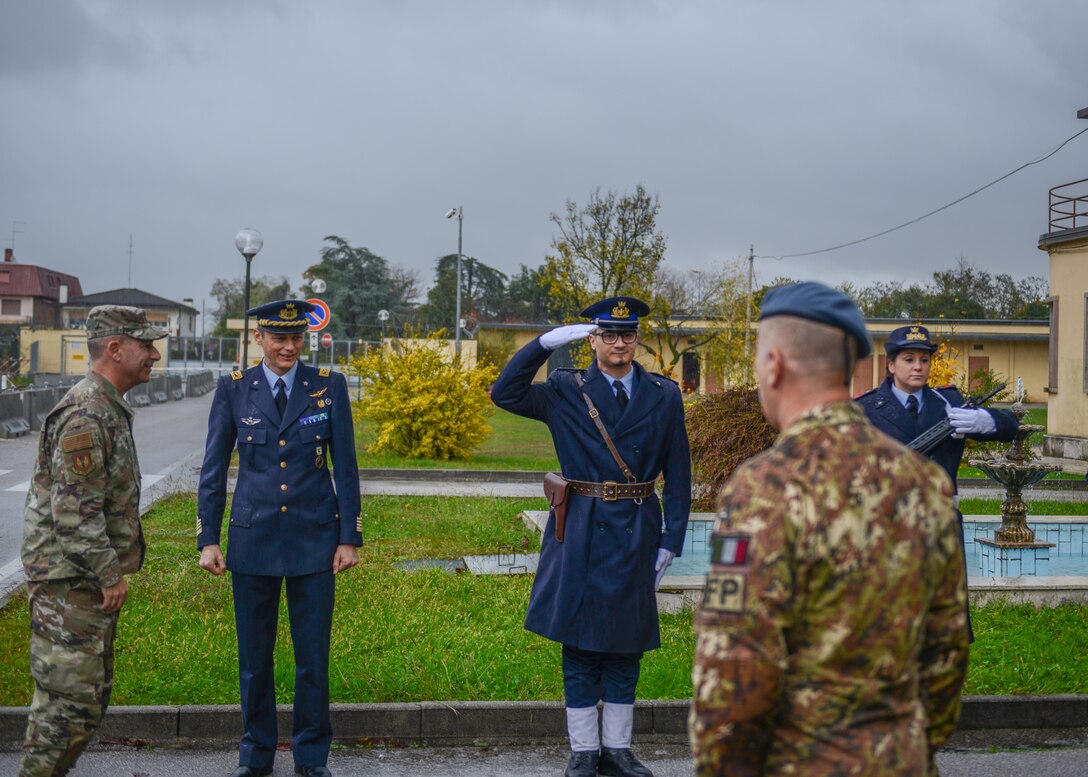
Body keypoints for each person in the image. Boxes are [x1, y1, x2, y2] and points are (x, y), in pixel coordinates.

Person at [689, 283, 970, 776]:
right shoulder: (924, 483)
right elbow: (947, 648)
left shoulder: (764, 488)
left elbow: (733, 665)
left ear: (773, 365)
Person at [491, 296, 691, 777]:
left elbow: (679, 472)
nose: (618, 343)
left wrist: (672, 538)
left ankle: (618, 750)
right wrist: (541, 345)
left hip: (637, 525)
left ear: (636, 340)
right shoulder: (565, 389)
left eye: (627, 334)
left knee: (627, 643)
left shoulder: (663, 394)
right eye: (608, 334)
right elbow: (504, 393)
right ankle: (584, 750)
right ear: (592, 339)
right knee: (579, 643)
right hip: (578, 525)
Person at [197, 299, 362, 777]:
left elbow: (345, 468)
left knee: (313, 660)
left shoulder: (328, 387)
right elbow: (213, 469)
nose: (289, 346)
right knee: (254, 662)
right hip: (252, 542)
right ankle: (256, 756)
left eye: (296, 338)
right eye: (278, 337)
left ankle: (312, 758)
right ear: (258, 339)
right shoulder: (234, 390)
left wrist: (349, 537)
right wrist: (209, 537)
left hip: (315, 540)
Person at [20, 305, 166, 776]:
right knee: (64, 714)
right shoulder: (86, 413)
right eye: (146, 345)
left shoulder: (106, 407)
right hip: (69, 587)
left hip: (80, 586)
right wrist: (109, 574)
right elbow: (74, 516)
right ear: (116, 349)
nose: (155, 355)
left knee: (83, 708)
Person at [856, 324, 1018, 637]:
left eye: (924, 359)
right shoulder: (865, 409)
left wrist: (986, 421)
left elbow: (1010, 426)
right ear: (891, 365)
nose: (918, 366)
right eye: (908, 359)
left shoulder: (948, 402)